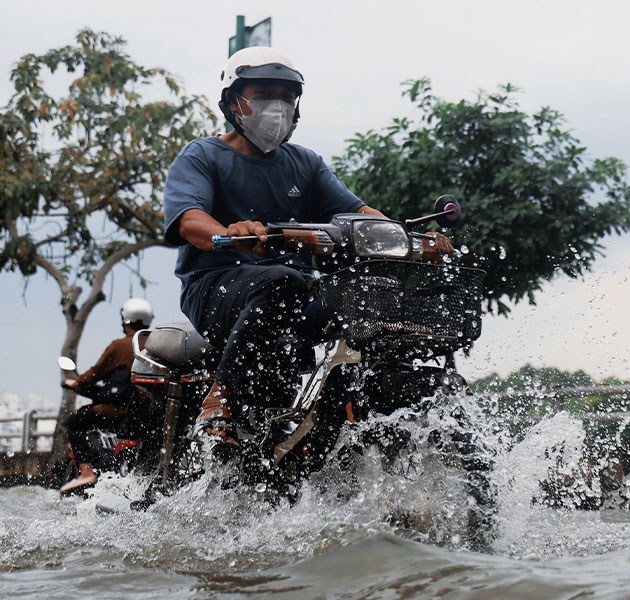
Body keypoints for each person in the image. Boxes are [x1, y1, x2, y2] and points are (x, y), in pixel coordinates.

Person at [163, 47, 449, 448]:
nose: (276, 106)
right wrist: (232, 232)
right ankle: (220, 400)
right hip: (216, 288)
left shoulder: (306, 164)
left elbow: (362, 215)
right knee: (283, 281)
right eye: (263, 93)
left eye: (287, 96)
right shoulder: (203, 155)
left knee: (365, 294)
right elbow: (189, 220)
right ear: (232, 101)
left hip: (295, 289)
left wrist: (411, 240)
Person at [59, 298, 153, 494]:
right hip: (146, 412)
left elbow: (95, 372)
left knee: (75, 423)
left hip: (117, 410)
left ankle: (86, 472)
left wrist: (76, 383)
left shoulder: (120, 346)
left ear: (125, 320)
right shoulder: (155, 343)